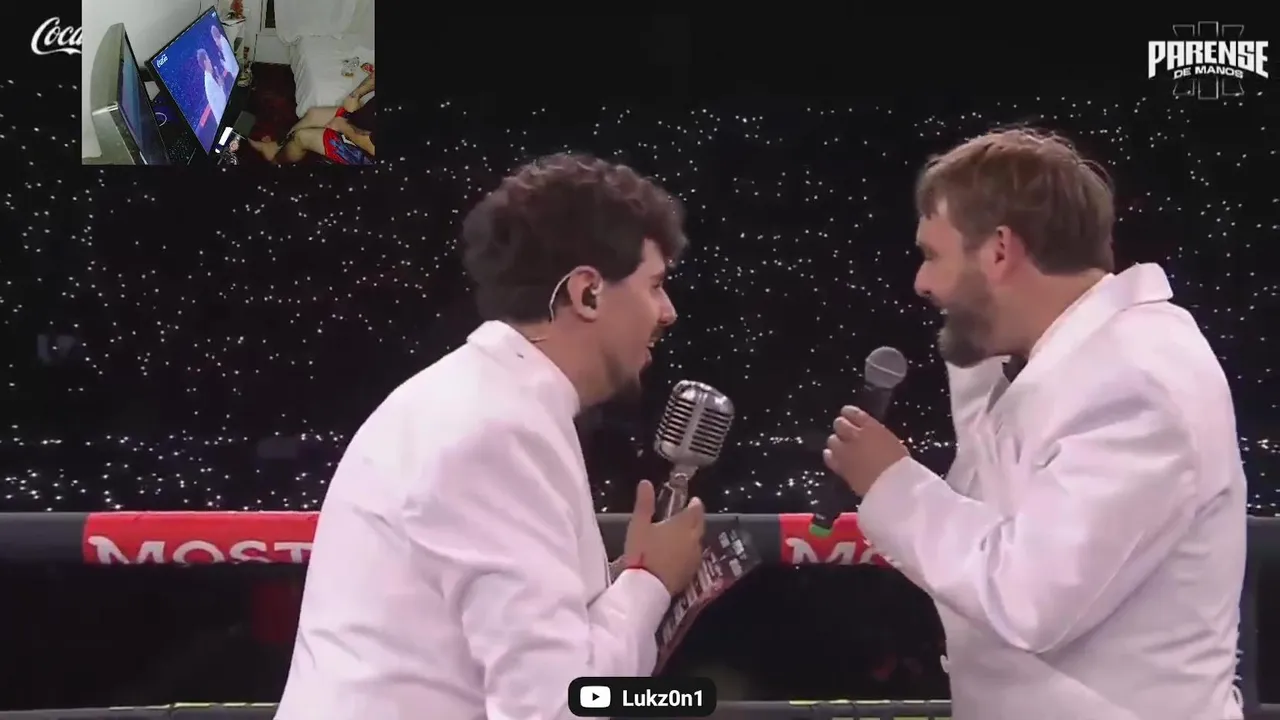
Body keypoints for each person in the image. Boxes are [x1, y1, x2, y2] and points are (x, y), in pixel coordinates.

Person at [822, 128, 1247, 720]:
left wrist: (892, 482)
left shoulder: (1136, 381)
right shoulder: (1063, 361)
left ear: (1000, 251)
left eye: (933, 255)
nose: (921, 282)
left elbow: (1028, 598)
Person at [274, 153, 705, 720]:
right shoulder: (496, 432)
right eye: (655, 285)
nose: (667, 312)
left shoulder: (480, 398)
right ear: (588, 293)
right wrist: (648, 584)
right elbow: (557, 708)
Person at [248, 64, 375, 165]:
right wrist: (356, 94)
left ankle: (276, 163)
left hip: (365, 150)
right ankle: (278, 147)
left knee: (301, 137)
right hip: (362, 120)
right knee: (313, 114)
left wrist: (344, 127)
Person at [195, 48, 227, 132]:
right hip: (224, 122)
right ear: (205, 62)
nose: (210, 61)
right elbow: (222, 102)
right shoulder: (209, 82)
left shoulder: (209, 78)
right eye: (208, 59)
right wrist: (222, 85)